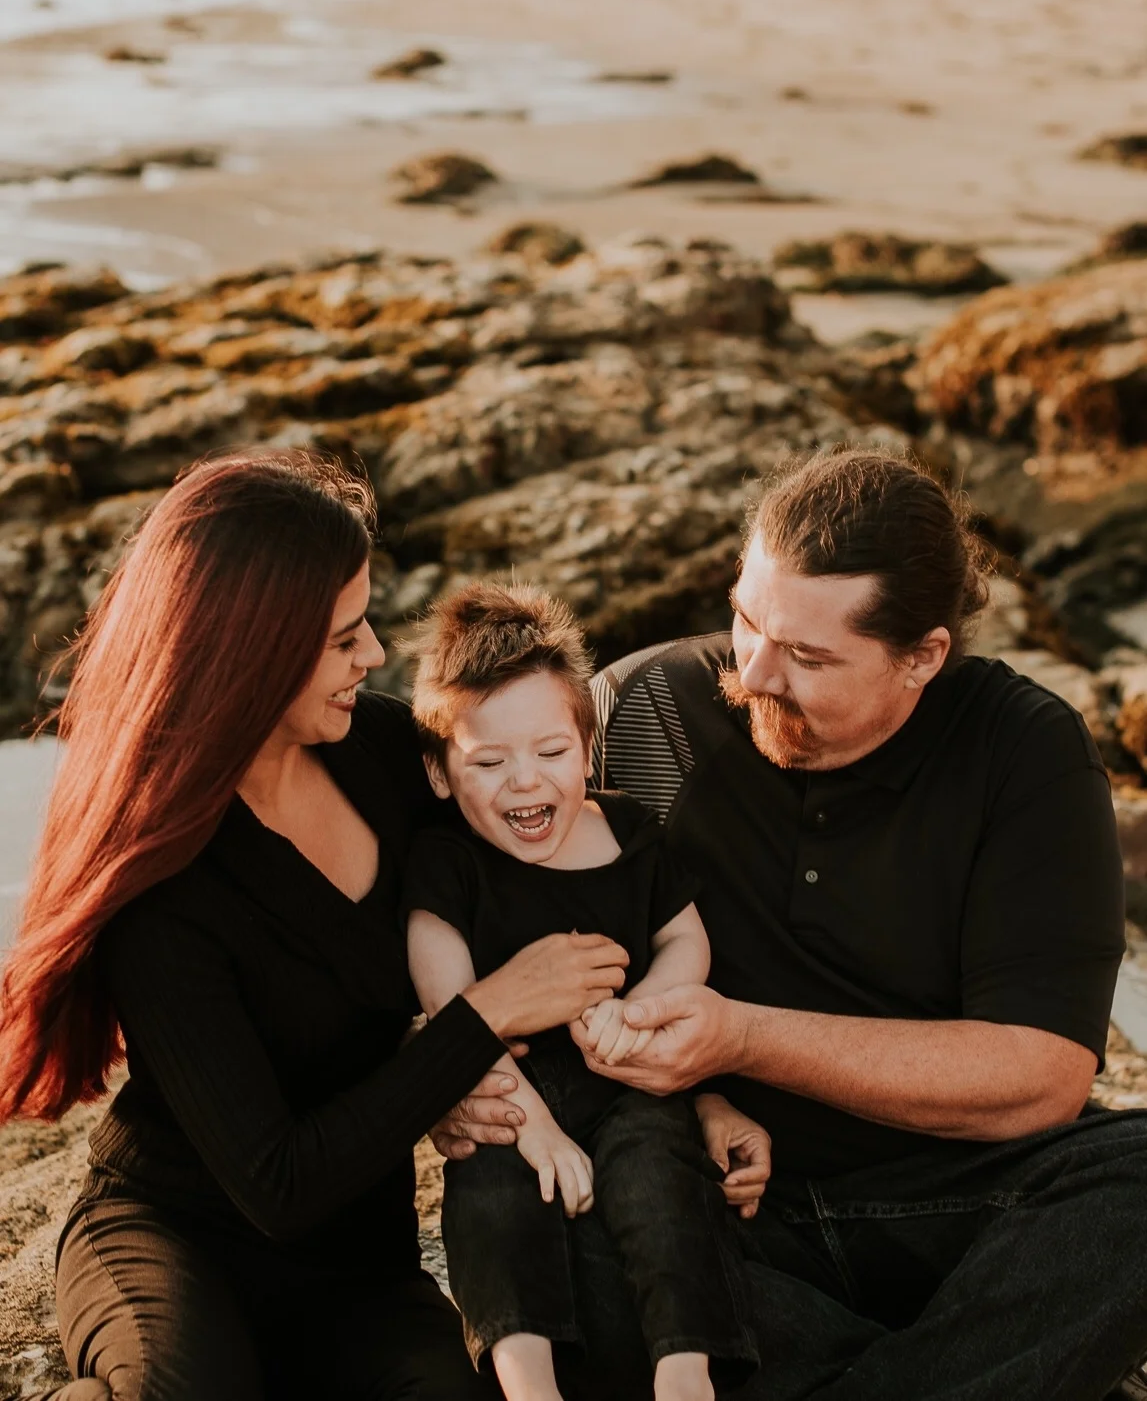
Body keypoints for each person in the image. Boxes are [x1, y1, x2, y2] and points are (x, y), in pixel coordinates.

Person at [437, 448, 1147, 1401]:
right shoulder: (642, 715)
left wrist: (742, 1037)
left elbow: (1040, 1078)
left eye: (808, 658)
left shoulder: (1022, 750)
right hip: (704, 1210)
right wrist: (444, 1070)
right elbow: (451, 867)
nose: (753, 673)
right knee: (544, 1241)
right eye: (746, 619)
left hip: (957, 1206)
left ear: (921, 656)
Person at [0, 454, 629, 1401]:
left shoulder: (383, 751)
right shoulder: (162, 878)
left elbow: (549, 874)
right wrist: (477, 1025)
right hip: (176, 1238)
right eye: (343, 638)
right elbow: (277, 1182)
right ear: (252, 650)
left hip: (357, 1267)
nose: (373, 654)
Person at [402, 582, 758, 1401]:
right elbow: (452, 1013)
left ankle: (686, 1368)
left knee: (663, 1177)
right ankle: (528, 1380)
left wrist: (641, 1010)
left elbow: (684, 939)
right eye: (488, 762)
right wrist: (535, 1130)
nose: (525, 782)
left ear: (587, 749)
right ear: (438, 773)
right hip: (508, 1086)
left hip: (624, 1074)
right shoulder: (445, 864)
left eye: (551, 752)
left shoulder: (628, 830)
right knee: (491, 1183)